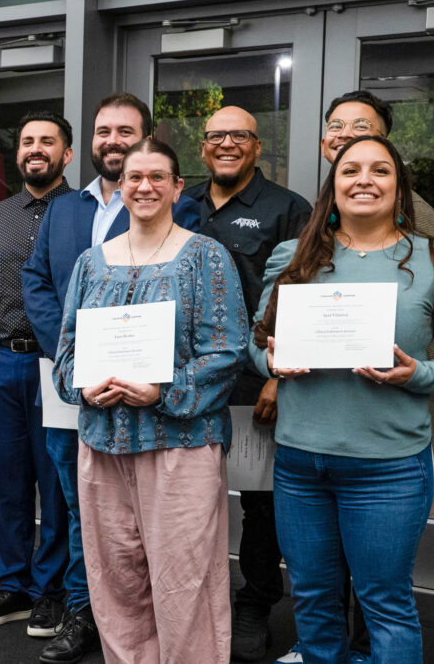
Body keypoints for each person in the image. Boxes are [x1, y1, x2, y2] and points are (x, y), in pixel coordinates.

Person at [250, 135, 434, 664]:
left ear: (399, 186)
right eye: (351, 170)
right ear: (333, 186)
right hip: (299, 465)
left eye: (380, 170)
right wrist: (270, 364)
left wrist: (421, 373)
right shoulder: (291, 255)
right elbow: (255, 343)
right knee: (314, 602)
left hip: (387, 469)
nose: (364, 179)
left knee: (384, 605)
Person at [53, 138, 248, 663]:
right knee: (116, 582)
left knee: (184, 583)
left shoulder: (206, 256)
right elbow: (67, 353)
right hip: (102, 445)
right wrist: (82, 388)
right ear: (119, 187)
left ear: (177, 186)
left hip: (180, 446)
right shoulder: (92, 263)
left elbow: (228, 351)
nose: (144, 186)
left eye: (157, 177)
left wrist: (164, 391)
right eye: (134, 177)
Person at [22, 93, 200, 664]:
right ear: (91, 142)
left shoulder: (170, 202)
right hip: (72, 379)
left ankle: (148, 625)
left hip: (147, 391)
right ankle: (85, 612)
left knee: (141, 517)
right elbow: (39, 284)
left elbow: (181, 296)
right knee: (82, 506)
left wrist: (129, 365)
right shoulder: (64, 208)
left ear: (147, 138)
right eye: (103, 131)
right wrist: (72, 355)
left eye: (125, 130)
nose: (113, 141)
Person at [182, 105, 312, 662]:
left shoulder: (288, 209)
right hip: (185, 383)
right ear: (203, 146)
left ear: (257, 146)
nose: (227, 144)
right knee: (189, 494)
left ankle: (256, 602)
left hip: (252, 382)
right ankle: (191, 600)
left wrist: (278, 380)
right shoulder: (179, 201)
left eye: (239, 135)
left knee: (260, 502)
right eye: (216, 136)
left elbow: (299, 297)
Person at [0, 111, 71, 639]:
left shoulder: (82, 213)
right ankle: (13, 584)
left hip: (56, 363)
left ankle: (51, 591)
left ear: (66, 154)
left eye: (47, 141)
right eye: (27, 141)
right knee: (6, 481)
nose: (35, 149)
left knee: (55, 483)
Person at [320, 90, 434, 243]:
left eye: (360, 126)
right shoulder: (325, 200)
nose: (344, 134)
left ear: (384, 143)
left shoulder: (415, 212)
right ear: (323, 144)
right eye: (335, 126)